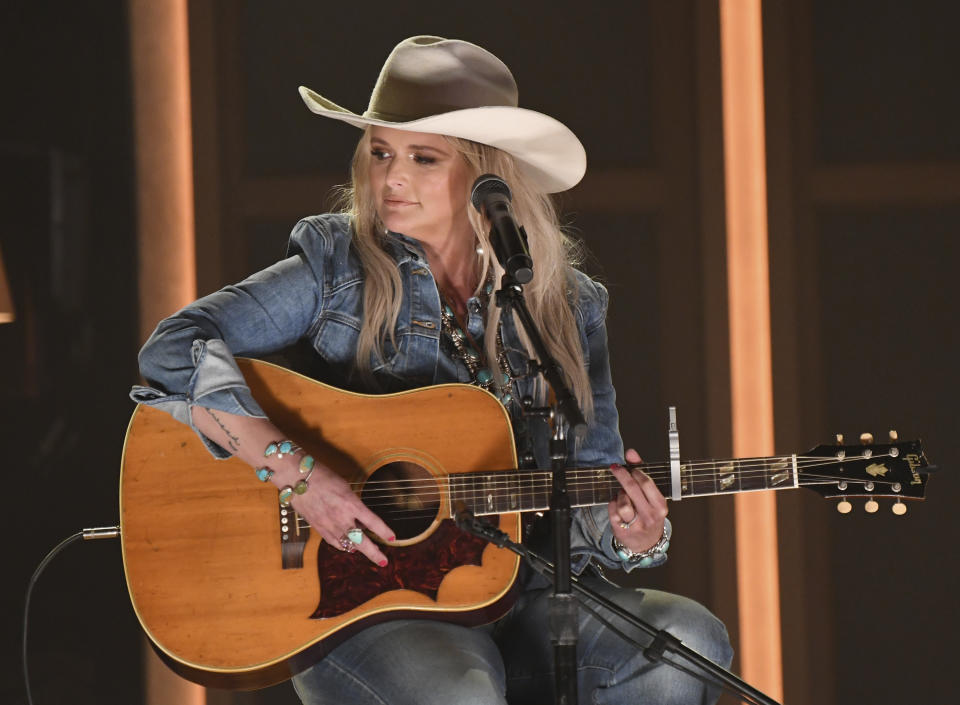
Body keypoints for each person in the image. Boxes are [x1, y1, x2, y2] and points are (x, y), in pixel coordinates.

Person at [133, 35, 732, 705]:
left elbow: (583, 490)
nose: (390, 178)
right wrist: (302, 475)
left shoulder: (567, 306)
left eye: (422, 158)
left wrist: (630, 529)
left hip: (519, 596)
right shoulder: (339, 266)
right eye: (381, 152)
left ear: (487, 178)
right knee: (461, 693)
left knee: (691, 643)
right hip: (373, 605)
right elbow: (174, 346)